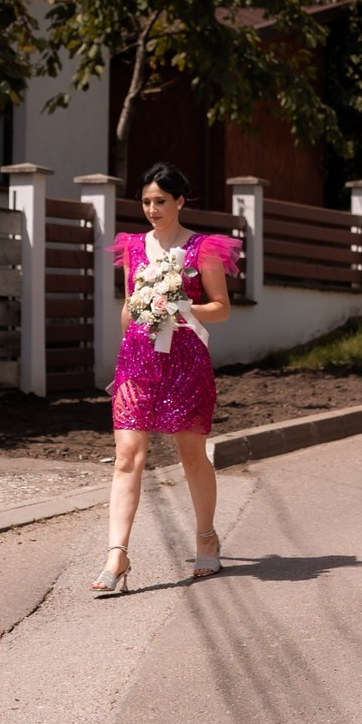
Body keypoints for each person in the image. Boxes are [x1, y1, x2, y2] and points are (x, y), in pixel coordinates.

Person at [98, 163, 237, 592]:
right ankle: (117, 554)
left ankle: (206, 538)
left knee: (191, 454)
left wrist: (180, 307)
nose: (152, 209)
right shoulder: (133, 246)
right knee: (127, 455)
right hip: (137, 360)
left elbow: (221, 308)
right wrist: (127, 345)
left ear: (180, 200)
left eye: (160, 201)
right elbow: (129, 306)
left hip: (185, 361)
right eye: (146, 202)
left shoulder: (203, 248)